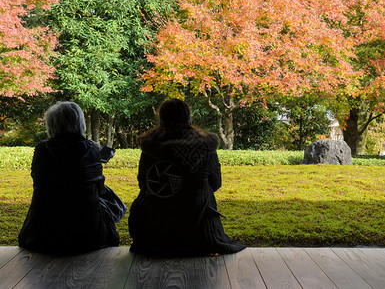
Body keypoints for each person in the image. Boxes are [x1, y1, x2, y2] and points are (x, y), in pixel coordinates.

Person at [128, 98, 245, 256]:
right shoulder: (205, 147)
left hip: (153, 230)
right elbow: (216, 183)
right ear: (188, 118)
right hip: (199, 231)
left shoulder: (151, 146)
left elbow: (144, 183)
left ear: (161, 118)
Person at [19, 101, 126, 254]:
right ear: (79, 122)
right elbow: (99, 188)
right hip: (88, 233)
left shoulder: (42, 149)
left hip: (42, 232)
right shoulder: (91, 149)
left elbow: (38, 180)